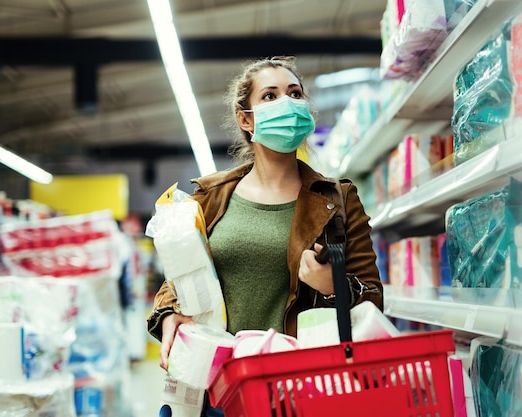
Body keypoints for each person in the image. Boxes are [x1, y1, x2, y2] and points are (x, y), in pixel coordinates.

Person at [146, 56, 383, 416]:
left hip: (296, 394)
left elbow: (373, 299)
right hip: (211, 390)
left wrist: (332, 283)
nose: (286, 103)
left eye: (295, 93)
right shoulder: (209, 197)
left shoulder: (338, 198)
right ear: (246, 119)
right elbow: (178, 279)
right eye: (270, 96)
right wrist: (168, 314)